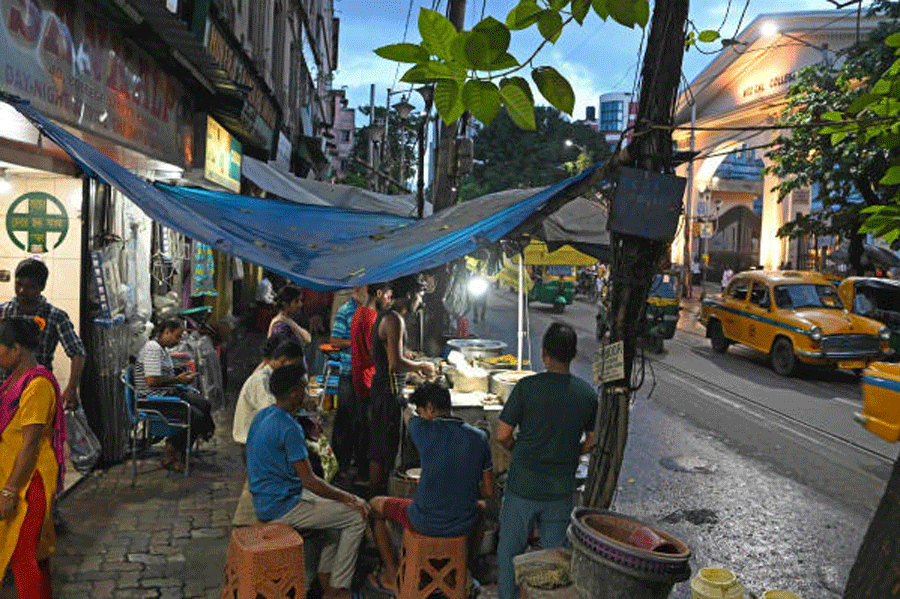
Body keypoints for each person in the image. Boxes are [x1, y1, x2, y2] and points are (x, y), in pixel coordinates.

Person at [246, 363, 369, 599]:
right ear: (293, 392)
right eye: (303, 388)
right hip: (281, 505)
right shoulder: (288, 427)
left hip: (267, 496)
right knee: (356, 516)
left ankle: (326, 579)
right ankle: (338, 589)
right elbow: (310, 481)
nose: (306, 392)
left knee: (336, 525)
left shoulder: (264, 415)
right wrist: (350, 498)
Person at [495, 323, 598, 599]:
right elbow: (592, 441)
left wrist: (518, 450)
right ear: (574, 354)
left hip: (522, 487)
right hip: (560, 491)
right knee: (556, 559)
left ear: (544, 353)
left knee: (510, 553)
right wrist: (572, 453)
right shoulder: (587, 394)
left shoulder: (527, 387)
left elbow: (502, 434)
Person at [367, 382, 493, 595]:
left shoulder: (423, 428)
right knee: (480, 508)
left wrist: (403, 402)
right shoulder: (479, 437)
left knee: (374, 506)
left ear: (431, 408)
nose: (420, 415)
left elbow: (408, 416)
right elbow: (488, 490)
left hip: (423, 520)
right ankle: (460, 571)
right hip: (463, 521)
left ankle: (391, 574)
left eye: (422, 410)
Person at [0, 316, 66, 599]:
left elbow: (29, 445)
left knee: (23, 556)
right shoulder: (14, 381)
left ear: (16, 349)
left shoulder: (37, 385)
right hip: (18, 477)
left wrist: (10, 491)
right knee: (35, 556)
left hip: (29, 483)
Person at [368, 275, 435, 497]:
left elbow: (382, 354)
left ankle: (379, 497)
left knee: (382, 446)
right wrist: (420, 366)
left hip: (384, 388)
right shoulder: (394, 320)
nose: (420, 301)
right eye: (420, 296)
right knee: (382, 449)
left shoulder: (385, 316)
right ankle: (378, 500)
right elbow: (395, 362)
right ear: (409, 295)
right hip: (388, 392)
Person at [0, 259, 85, 410]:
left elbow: (78, 352)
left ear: (42, 287)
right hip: (4, 392)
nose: (21, 291)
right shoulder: (2, 313)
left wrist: (72, 388)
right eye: (18, 284)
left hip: (37, 391)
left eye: (30, 287)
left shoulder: (55, 316)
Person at [135, 319, 215, 472]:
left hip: (166, 393)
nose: (178, 341)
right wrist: (177, 380)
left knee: (204, 404)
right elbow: (151, 381)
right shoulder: (153, 348)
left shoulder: (161, 349)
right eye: (177, 336)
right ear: (166, 332)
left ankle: (188, 443)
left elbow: (163, 374)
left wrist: (179, 377)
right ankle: (170, 453)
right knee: (195, 416)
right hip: (153, 400)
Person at [350, 282, 392, 481]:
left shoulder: (359, 312)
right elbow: (373, 351)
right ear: (379, 293)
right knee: (370, 431)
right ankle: (367, 476)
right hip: (369, 379)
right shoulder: (371, 318)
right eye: (388, 295)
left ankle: (362, 472)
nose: (389, 300)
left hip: (360, 376)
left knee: (363, 427)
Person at [232, 339, 307, 448]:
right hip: (253, 442)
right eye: (293, 366)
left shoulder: (275, 376)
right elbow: (272, 412)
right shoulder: (261, 380)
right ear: (282, 361)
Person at [329, 286, 368, 474]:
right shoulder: (345, 311)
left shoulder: (370, 312)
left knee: (362, 420)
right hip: (348, 372)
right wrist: (358, 342)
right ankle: (339, 465)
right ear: (357, 291)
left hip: (366, 375)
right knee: (345, 419)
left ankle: (358, 464)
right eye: (366, 290)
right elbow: (335, 340)